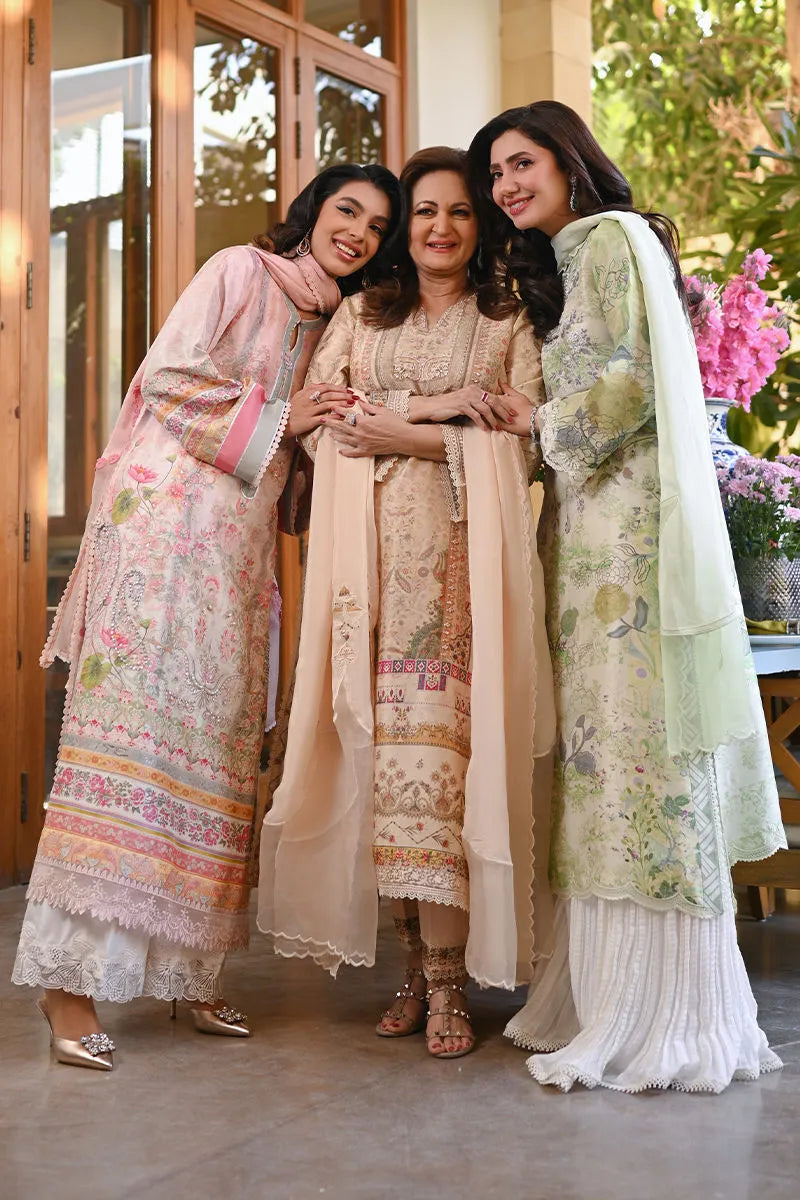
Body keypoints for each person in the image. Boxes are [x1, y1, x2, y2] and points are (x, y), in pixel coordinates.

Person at [12, 163, 404, 1070]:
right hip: (161, 534)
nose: (359, 232)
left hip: (236, 557)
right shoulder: (241, 271)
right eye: (348, 210)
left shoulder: (330, 322)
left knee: (217, 748)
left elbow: (294, 463)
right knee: (134, 741)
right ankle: (68, 987)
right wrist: (286, 414)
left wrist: (324, 428)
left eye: (376, 226)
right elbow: (171, 378)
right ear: (314, 212)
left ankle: (192, 973)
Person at [466, 100, 787, 1092]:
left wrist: (536, 420)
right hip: (604, 536)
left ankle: (653, 1017)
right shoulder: (593, 246)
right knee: (616, 755)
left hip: (623, 549)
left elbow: (631, 381)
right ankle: (615, 998)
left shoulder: (603, 238)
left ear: (568, 160)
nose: (505, 187)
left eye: (520, 164)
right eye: (495, 174)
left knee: (630, 755)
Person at [257, 146, 555, 1060]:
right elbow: (321, 416)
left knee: (447, 782)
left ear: (482, 225)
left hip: (460, 592)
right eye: (422, 212)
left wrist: (410, 430)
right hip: (369, 588)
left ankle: (453, 985)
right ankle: (414, 971)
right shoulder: (360, 314)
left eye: (459, 213)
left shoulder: (505, 322)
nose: (439, 229)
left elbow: (527, 441)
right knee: (381, 781)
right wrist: (445, 407)